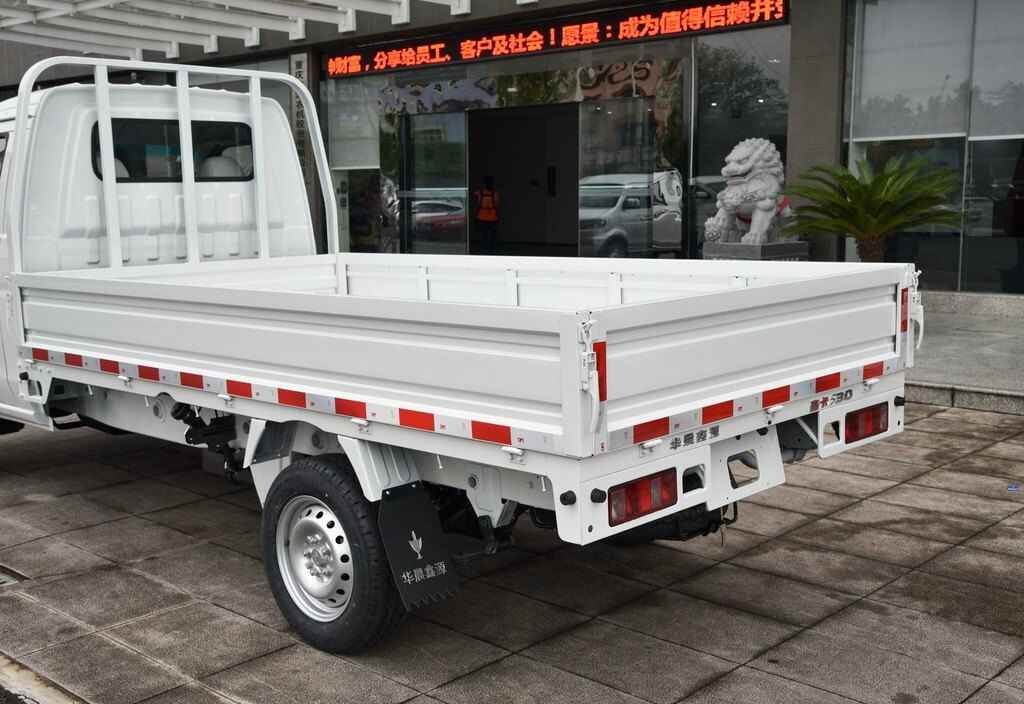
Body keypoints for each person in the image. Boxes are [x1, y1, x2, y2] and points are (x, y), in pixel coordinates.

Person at [474, 176, 500, 254]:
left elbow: (474, 196)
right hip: (493, 218)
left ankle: (484, 251)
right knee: (492, 237)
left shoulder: (479, 192)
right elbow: (497, 205)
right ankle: (491, 252)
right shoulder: (495, 193)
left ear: (484, 184)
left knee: (483, 236)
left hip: (481, 217)